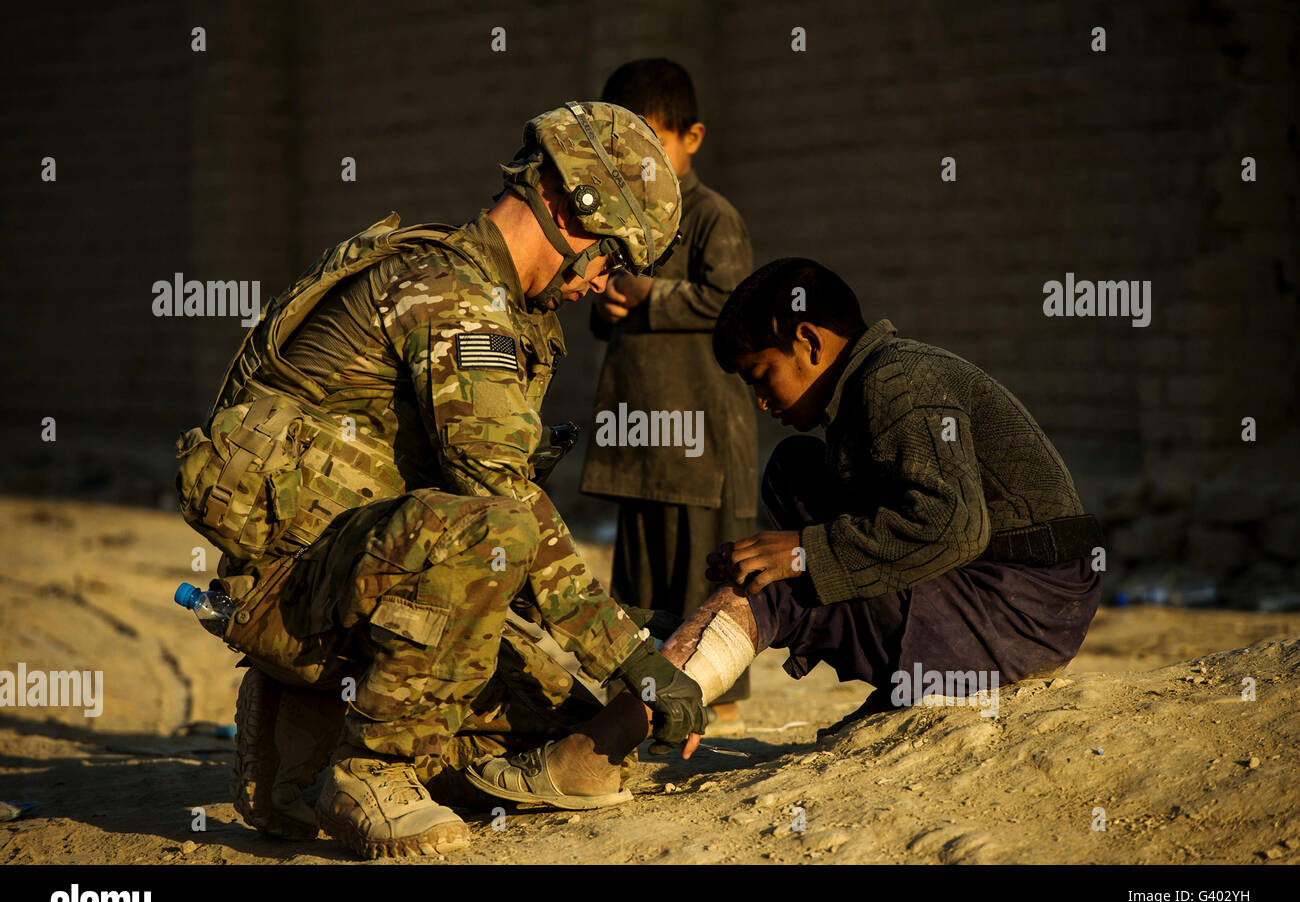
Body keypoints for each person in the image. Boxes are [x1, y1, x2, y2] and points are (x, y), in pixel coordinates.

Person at [176, 102, 707, 860]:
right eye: (610, 257)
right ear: (568, 207)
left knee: (562, 729)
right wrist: (631, 656)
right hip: (295, 597)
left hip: (341, 583)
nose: (601, 283)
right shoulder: (454, 298)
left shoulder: (482, 294)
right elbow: (501, 506)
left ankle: (296, 750)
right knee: (495, 530)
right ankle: (372, 770)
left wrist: (616, 657)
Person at [467, 257, 1105, 800]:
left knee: (783, 580)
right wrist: (785, 554)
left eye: (760, 377)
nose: (761, 402)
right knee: (794, 476)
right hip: (996, 590)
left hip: (1027, 608)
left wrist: (802, 553)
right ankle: (729, 647)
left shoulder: (897, 384)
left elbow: (955, 526)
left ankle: (599, 752)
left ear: (810, 340)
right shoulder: (865, 391)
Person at [581, 59, 757, 734]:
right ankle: (647, 701)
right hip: (641, 441)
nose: (642, 159)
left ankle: (722, 708)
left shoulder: (713, 218)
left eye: (655, 140)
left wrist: (650, 295)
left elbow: (730, 299)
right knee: (641, 584)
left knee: (703, 579)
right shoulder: (625, 223)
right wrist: (612, 305)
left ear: (694, 138)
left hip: (702, 444)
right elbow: (599, 307)